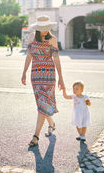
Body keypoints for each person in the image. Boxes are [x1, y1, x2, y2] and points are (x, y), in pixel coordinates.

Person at [21, 15, 65, 147]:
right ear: (38, 28)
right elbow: (29, 56)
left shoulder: (52, 39)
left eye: (47, 27)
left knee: (43, 104)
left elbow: (56, 59)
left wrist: (61, 78)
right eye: (43, 28)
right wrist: (24, 72)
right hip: (35, 76)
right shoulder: (31, 38)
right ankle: (51, 123)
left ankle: (35, 136)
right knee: (42, 104)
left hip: (49, 76)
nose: (46, 30)